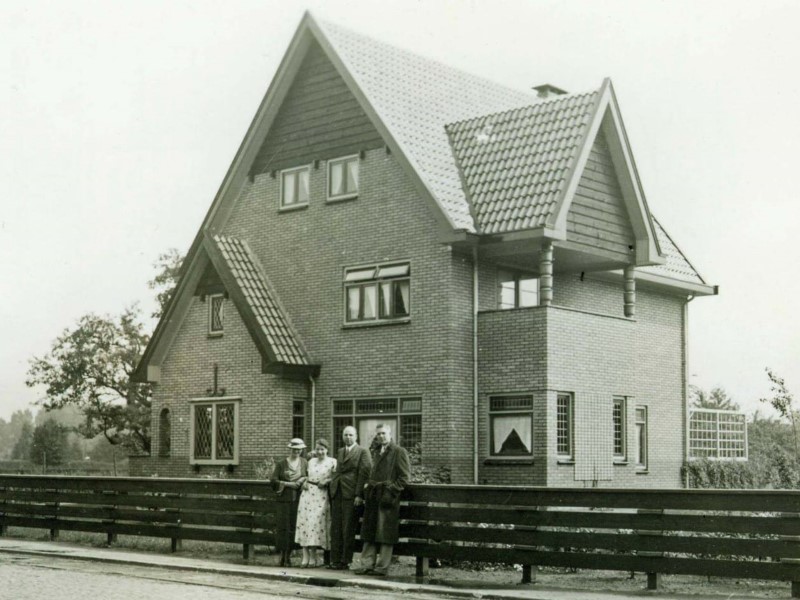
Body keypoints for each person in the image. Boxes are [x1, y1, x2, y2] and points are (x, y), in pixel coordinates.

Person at [355, 423, 410, 576]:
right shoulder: (377, 451)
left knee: (385, 532)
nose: (380, 436)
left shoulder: (399, 452)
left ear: (390, 434)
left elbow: (404, 477)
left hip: (387, 499)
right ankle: (367, 564)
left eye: (383, 433)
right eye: (378, 434)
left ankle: (381, 567)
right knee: (369, 530)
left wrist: (390, 491)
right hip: (373, 497)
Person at [328, 425, 372, 570]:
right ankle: (335, 559)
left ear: (356, 436)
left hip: (351, 494)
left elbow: (364, 473)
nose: (348, 437)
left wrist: (359, 494)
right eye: (345, 435)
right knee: (336, 527)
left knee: (348, 528)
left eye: (351, 435)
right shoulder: (340, 451)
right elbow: (337, 471)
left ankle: (345, 560)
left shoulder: (362, 451)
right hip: (338, 492)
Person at [294, 438, 337, 568]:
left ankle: (313, 556)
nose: (320, 452)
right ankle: (305, 555)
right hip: (307, 494)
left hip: (321, 495)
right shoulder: (311, 461)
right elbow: (305, 475)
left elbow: (335, 477)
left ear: (327, 449)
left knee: (315, 524)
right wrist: (304, 482)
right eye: (318, 449)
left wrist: (327, 481)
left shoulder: (332, 462)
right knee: (304, 523)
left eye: (322, 449)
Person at [271, 438, 308, 567]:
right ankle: (282, 555)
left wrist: (302, 479)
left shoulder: (304, 462)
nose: (296, 451)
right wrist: (287, 484)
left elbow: (309, 475)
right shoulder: (282, 464)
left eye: (299, 449)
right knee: (283, 527)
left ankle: (289, 555)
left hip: (298, 500)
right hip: (283, 501)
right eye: (294, 449)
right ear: (290, 449)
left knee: (294, 527)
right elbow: (273, 480)